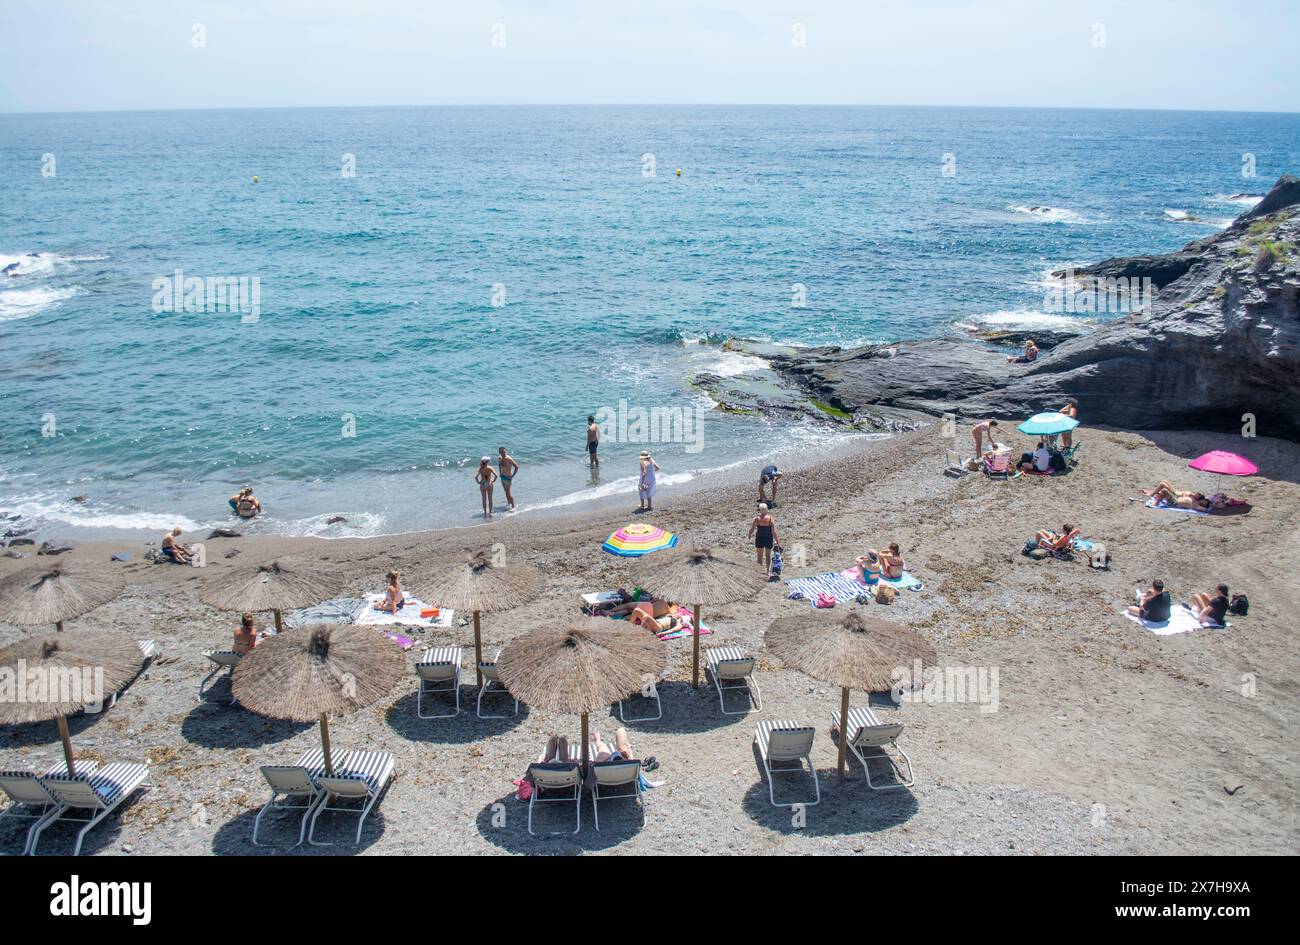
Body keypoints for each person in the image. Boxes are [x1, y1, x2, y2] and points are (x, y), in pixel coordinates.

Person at [749, 503, 778, 573]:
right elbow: (774, 531)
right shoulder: (771, 518)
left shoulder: (757, 519)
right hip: (768, 539)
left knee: (759, 556)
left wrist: (749, 535)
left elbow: (752, 528)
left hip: (760, 538)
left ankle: (759, 571)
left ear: (760, 510)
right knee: (768, 556)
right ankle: (768, 570)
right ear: (766, 509)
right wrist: (777, 540)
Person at [497, 447, 519, 511]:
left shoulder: (509, 459)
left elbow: (517, 467)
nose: (503, 453)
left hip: (508, 478)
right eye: (502, 452)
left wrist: (512, 476)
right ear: (500, 452)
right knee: (505, 492)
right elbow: (499, 465)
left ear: (505, 451)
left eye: (504, 452)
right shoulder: (499, 458)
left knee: (508, 492)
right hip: (502, 477)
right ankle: (509, 503)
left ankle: (513, 506)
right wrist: (500, 473)